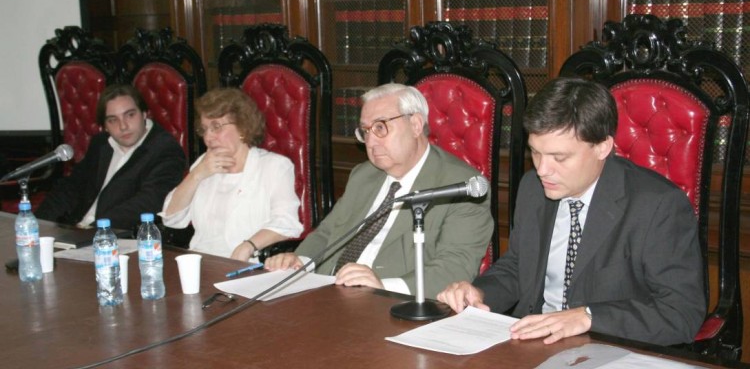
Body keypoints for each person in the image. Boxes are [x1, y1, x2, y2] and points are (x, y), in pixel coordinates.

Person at [437, 77, 705, 346]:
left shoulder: (657, 205)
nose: (542, 169)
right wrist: (480, 292)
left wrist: (589, 317)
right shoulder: (533, 187)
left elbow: (680, 314)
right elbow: (519, 267)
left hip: (609, 348)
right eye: (536, 153)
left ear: (603, 147)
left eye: (559, 157)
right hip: (531, 344)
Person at [265, 83, 494, 299]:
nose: (371, 142)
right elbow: (328, 233)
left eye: (380, 128)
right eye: (365, 131)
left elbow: (455, 266)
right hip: (325, 294)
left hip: (391, 306)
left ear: (415, 125)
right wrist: (299, 260)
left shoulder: (461, 186)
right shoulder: (363, 175)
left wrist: (384, 287)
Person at [160, 88, 303, 261]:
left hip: (246, 266)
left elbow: (286, 223)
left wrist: (248, 246)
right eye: (204, 129)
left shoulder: (274, 166)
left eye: (216, 127)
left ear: (243, 127)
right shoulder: (203, 164)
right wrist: (197, 175)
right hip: (201, 263)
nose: (208, 137)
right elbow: (171, 218)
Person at [36, 84, 186, 231]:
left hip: (116, 237)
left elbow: (148, 202)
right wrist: (38, 225)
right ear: (105, 126)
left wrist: (95, 231)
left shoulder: (165, 149)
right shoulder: (101, 144)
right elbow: (70, 187)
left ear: (144, 114)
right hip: (76, 230)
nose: (123, 126)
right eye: (113, 120)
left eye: (130, 115)